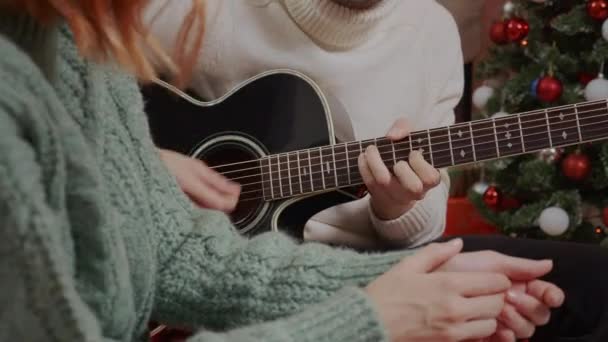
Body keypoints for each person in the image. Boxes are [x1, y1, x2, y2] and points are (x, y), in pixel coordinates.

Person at [0, 1, 573, 341]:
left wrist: (428, 281)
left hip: (320, 256)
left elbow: (182, 255)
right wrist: (370, 320)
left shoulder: (80, 42)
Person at [147, 0, 460, 249]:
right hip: (205, 252)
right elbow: (100, 100)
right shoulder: (196, 9)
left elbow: (427, 226)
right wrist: (148, 161)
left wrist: (397, 207)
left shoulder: (434, 31)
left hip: (357, 266)